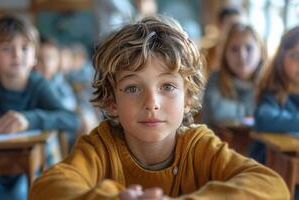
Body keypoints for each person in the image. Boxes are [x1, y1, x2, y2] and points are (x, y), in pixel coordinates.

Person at [29, 16, 288, 200]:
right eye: (132, 88)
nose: (152, 102)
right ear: (112, 102)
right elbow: (45, 189)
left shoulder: (199, 146)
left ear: (187, 98)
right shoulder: (101, 146)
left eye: (167, 87)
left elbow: (272, 186)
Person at [0, 16, 81, 200]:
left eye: (24, 48)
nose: (17, 55)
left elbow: (71, 119)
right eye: (6, 48)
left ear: (34, 56)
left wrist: (29, 120)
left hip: (36, 168)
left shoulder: (39, 85)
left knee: (22, 193)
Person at [200, 23, 266, 127]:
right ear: (225, 54)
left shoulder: (269, 81)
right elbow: (216, 111)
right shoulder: (216, 78)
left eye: (249, 48)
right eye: (234, 49)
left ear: (261, 52)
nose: (242, 56)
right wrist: (251, 110)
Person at [250, 26, 299, 163]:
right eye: (294, 55)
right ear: (280, 58)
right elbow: (264, 119)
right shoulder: (273, 93)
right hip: (270, 166)